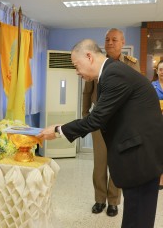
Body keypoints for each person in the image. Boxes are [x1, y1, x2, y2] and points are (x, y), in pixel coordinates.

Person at [38, 39, 163, 228]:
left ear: (89, 56)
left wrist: (58, 130)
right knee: (136, 217)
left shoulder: (114, 74)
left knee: (138, 219)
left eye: (76, 65)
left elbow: (96, 119)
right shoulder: (108, 74)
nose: (76, 72)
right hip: (139, 155)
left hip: (141, 159)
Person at [82, 28, 140, 217]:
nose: (110, 43)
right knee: (100, 163)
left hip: (121, 122)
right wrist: (85, 114)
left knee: (117, 163)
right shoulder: (96, 63)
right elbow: (87, 90)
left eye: (114, 40)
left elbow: (137, 93)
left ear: (123, 43)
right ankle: (100, 200)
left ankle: (113, 201)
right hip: (99, 120)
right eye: (107, 39)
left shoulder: (131, 65)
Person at [151, 60, 163, 190]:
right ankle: (158, 178)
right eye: (160, 69)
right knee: (158, 151)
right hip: (157, 123)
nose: (162, 72)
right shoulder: (152, 86)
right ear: (157, 71)